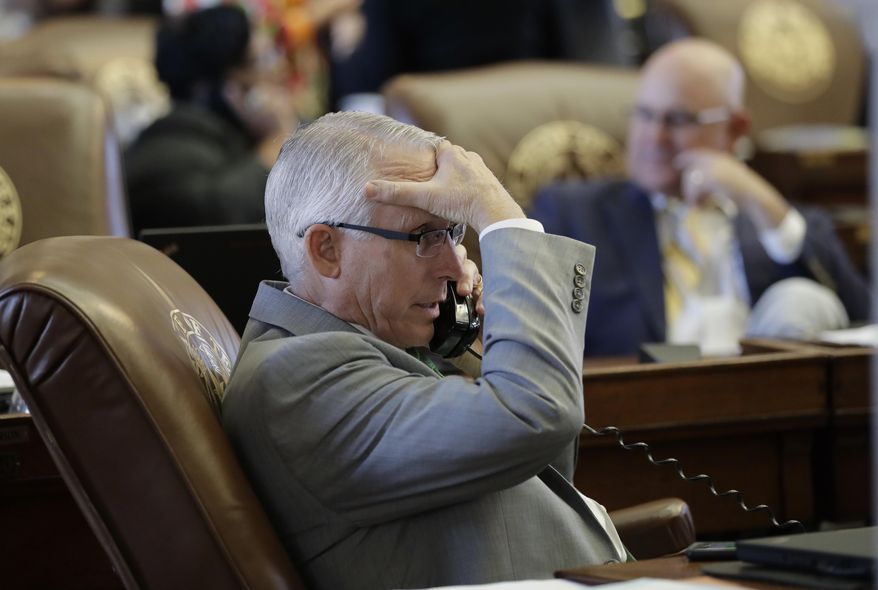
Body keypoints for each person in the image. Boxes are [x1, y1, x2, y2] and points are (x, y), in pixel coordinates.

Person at [221, 111, 628, 590]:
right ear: (326, 249)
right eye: (424, 236)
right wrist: (503, 220)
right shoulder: (297, 379)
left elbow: (544, 465)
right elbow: (539, 415)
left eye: (455, 232)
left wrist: (474, 334)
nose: (457, 265)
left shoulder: (375, 345)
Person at [530, 38, 869, 357]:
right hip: (650, 399)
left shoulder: (771, 218)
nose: (654, 136)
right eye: (645, 115)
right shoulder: (573, 213)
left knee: (801, 300)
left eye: (678, 119)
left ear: (734, 129)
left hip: (768, 398)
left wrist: (758, 199)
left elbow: (861, 318)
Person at [124, 4, 297, 234]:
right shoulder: (165, 148)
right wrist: (277, 143)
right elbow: (221, 217)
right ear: (222, 86)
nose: (278, 68)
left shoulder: (247, 130)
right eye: (260, 61)